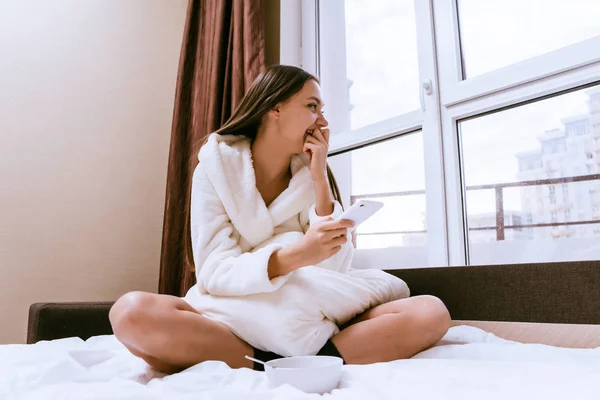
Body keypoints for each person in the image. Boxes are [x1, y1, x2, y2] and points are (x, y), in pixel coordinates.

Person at [109, 65, 451, 374]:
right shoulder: (214, 170)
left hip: (305, 311)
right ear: (275, 108)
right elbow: (214, 270)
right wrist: (297, 255)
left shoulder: (309, 174)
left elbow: (333, 270)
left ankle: (280, 359)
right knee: (131, 313)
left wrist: (319, 178)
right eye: (312, 106)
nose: (322, 121)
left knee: (430, 312)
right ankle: (278, 359)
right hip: (234, 318)